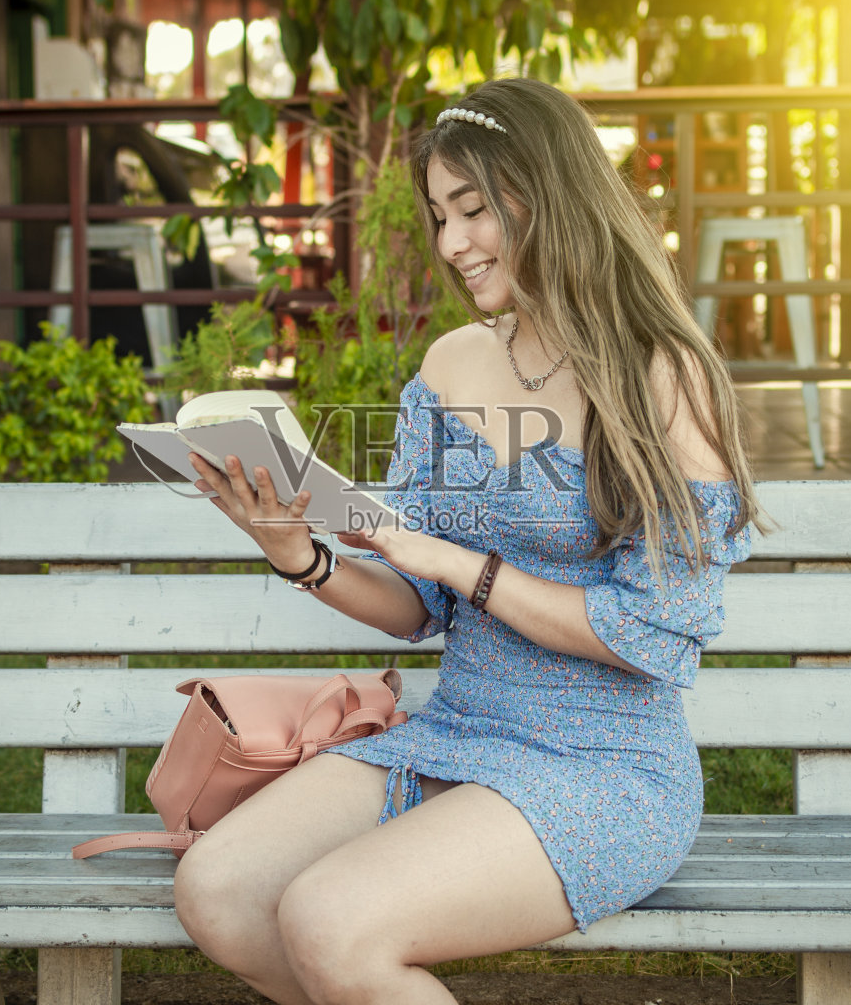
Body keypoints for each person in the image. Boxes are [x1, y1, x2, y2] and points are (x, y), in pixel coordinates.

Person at [174, 77, 762, 1005]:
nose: (452, 245)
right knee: (219, 891)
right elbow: (417, 604)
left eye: (474, 210)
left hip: (604, 767)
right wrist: (300, 553)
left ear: (549, 194)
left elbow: (650, 633)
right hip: (458, 732)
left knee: (331, 919)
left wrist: (455, 560)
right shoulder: (452, 365)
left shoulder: (665, 376)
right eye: (438, 216)